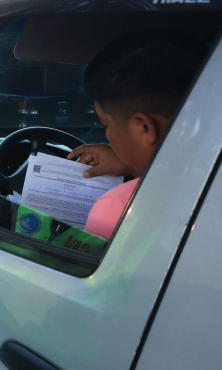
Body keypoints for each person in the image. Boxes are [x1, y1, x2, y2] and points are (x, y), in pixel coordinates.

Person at [66, 34, 206, 239]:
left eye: (106, 124)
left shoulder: (118, 209)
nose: (107, 135)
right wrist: (133, 165)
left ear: (144, 128)